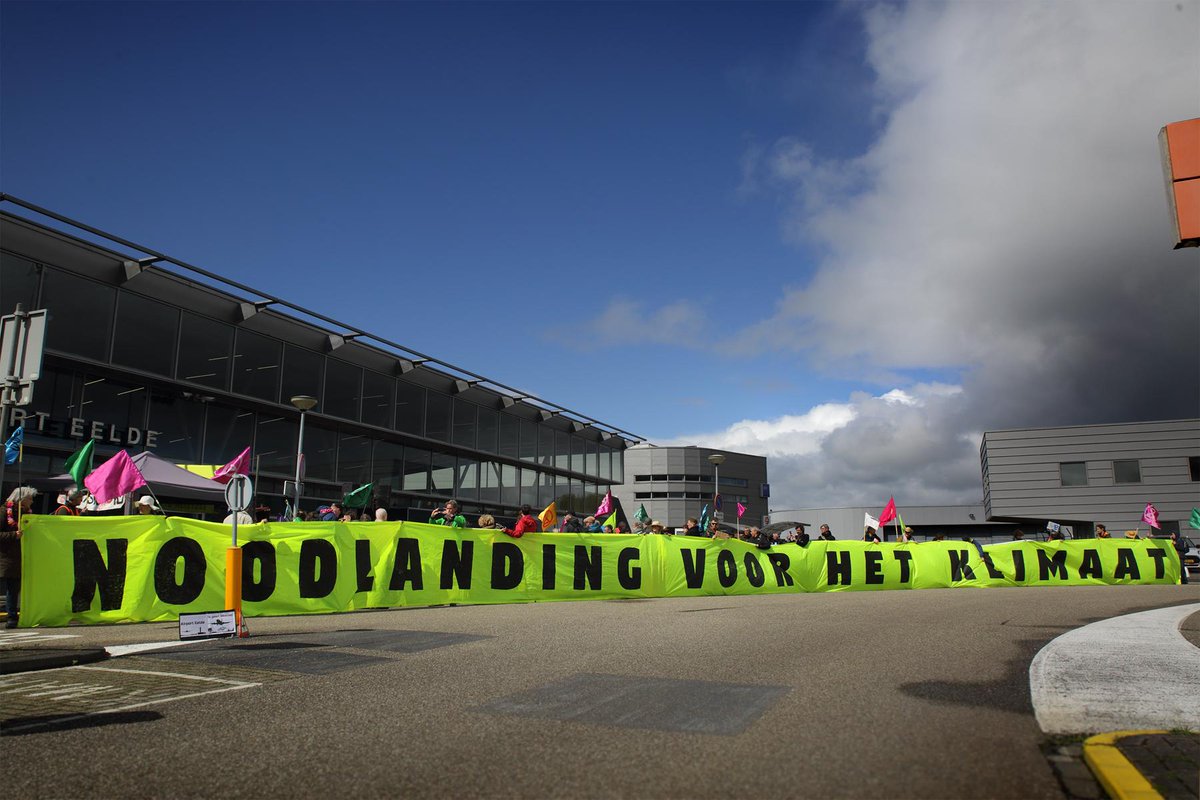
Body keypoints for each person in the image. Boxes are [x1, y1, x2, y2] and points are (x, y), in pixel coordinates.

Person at [1, 487, 36, 628]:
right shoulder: (4, 512)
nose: (32, 501)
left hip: (21, 557)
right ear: (22, 499)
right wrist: (13, 535)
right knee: (11, 589)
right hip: (7, 557)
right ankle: (11, 616)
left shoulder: (26, 514)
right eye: (30, 498)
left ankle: (14, 615)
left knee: (15, 588)